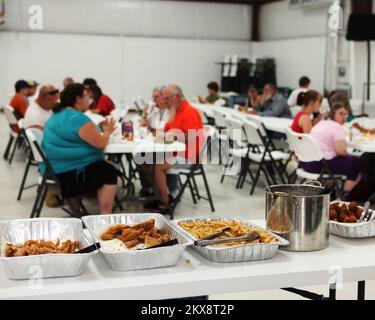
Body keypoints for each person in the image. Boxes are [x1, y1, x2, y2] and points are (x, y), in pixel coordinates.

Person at [42, 83, 118, 215]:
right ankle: (105, 215)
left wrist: (99, 129)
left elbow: (75, 135)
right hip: (70, 174)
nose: (90, 100)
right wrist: (107, 131)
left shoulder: (59, 114)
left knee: (104, 168)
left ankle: (82, 209)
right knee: (109, 172)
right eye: (87, 97)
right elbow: (101, 143)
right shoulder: (76, 118)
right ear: (78, 99)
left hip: (57, 169)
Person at [142, 84, 203, 213]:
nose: (164, 102)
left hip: (188, 156)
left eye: (166, 99)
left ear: (176, 97)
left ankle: (166, 201)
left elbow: (191, 137)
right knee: (145, 161)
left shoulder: (190, 112)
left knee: (157, 165)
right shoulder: (174, 111)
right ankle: (158, 194)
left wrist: (171, 136)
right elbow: (165, 131)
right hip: (173, 152)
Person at [300, 102, 365, 197]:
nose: (344, 117)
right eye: (341, 113)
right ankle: (344, 195)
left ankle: (330, 192)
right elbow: (341, 151)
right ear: (333, 113)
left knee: (344, 160)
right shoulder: (337, 127)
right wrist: (350, 155)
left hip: (305, 162)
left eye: (345, 114)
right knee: (356, 163)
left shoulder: (321, 123)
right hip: (319, 165)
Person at [24, 85, 60, 208]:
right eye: (53, 101)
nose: (54, 104)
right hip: (45, 155)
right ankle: (52, 191)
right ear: (43, 98)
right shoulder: (35, 114)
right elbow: (47, 139)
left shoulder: (44, 107)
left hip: (46, 151)